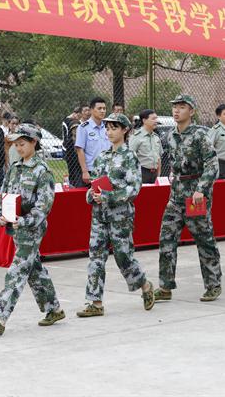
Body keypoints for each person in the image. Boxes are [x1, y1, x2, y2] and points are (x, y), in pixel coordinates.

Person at [0, 124, 64, 335]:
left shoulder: (42, 172)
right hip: (16, 227)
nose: (18, 148)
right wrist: (1, 215)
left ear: (34, 142)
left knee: (17, 271)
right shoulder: (14, 168)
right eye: (16, 144)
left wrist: (24, 221)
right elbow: (4, 195)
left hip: (32, 229)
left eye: (22, 143)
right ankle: (54, 309)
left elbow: (43, 206)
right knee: (34, 269)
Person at [76, 113, 155, 318]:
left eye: (114, 128)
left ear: (125, 130)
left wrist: (108, 197)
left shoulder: (130, 157)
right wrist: (91, 195)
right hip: (99, 215)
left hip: (120, 217)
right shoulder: (102, 157)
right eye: (107, 128)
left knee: (123, 257)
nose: (109, 132)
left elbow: (133, 189)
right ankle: (95, 302)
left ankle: (145, 284)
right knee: (95, 257)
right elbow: (94, 184)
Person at [154, 95, 222, 302]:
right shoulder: (170, 135)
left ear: (191, 111)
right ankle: (165, 286)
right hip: (176, 195)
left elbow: (212, 165)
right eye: (175, 107)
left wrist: (201, 189)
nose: (176, 111)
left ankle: (213, 284)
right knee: (166, 238)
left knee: (203, 239)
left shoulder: (200, 134)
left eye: (182, 107)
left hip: (195, 196)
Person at [75, 97, 110, 186]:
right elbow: (80, 150)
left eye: (104, 108)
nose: (102, 111)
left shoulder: (108, 127)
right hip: (92, 170)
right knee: (94, 194)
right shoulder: (83, 128)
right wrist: (85, 171)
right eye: (99, 108)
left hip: (108, 169)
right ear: (91, 110)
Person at [129, 109, 163, 184]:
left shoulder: (156, 137)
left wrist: (158, 175)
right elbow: (130, 157)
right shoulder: (136, 137)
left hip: (155, 174)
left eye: (156, 118)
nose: (156, 121)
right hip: (142, 173)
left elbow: (158, 158)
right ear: (144, 120)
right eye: (153, 119)